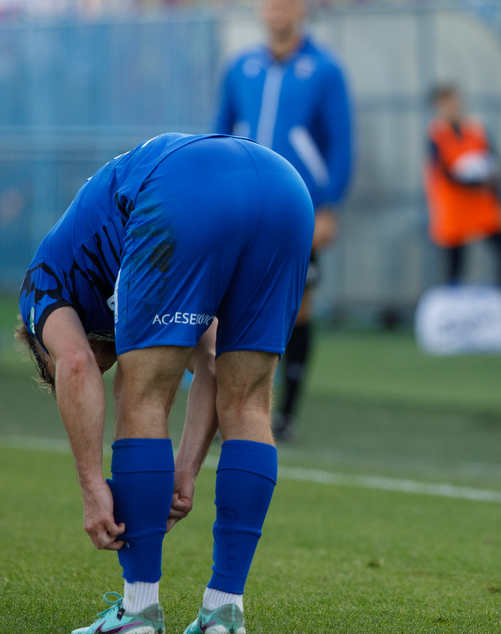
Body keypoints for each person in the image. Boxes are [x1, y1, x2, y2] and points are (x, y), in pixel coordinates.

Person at [16, 133, 314, 634]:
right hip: (285, 190)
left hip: (188, 190)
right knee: (250, 404)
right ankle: (224, 612)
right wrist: (184, 470)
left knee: (141, 388)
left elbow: (75, 367)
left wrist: (93, 488)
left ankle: (137, 613)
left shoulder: (40, 287)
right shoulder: (103, 261)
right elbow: (214, 362)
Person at [214, 0, 353, 443]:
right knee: (227, 302)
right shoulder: (240, 68)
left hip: (299, 210)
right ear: (260, 11)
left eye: (285, 5)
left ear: (301, 10)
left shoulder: (325, 69)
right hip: (241, 206)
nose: (277, 13)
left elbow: (340, 144)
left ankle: (286, 413)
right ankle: (222, 407)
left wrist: (328, 206)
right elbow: (218, 136)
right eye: (269, 4)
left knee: (299, 307)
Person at [424, 85, 501, 288]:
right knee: (455, 263)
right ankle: (452, 305)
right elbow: (445, 173)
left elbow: (494, 163)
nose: (453, 107)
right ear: (437, 107)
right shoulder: (435, 135)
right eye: (446, 103)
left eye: (455, 101)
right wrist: (474, 182)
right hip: (454, 206)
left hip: (481, 205)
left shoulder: (476, 130)